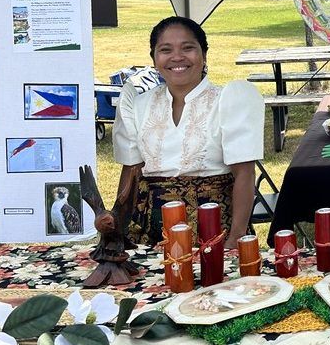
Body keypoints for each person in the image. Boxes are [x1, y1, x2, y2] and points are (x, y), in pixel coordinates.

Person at [113, 16, 265, 247]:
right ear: (154, 59)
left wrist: (235, 237)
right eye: (165, 50)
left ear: (203, 55)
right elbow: (131, 171)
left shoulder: (228, 100)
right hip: (150, 231)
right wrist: (117, 227)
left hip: (215, 229)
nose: (177, 57)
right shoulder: (138, 104)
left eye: (188, 48)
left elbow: (244, 173)